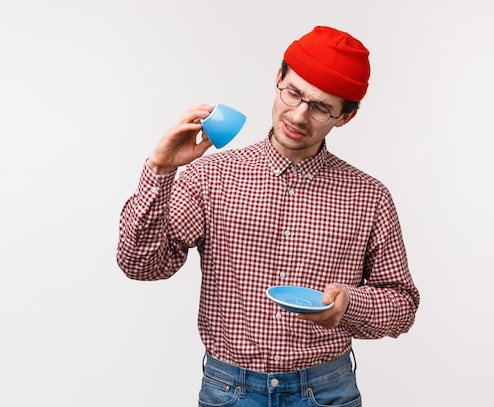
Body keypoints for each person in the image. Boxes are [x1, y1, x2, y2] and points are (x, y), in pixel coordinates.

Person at [117, 25, 419, 406]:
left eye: (321, 107)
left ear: (346, 117)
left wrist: (349, 305)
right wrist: (160, 171)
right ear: (278, 78)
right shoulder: (209, 177)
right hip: (230, 390)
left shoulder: (369, 196)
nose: (298, 115)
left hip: (325, 390)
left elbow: (402, 305)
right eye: (293, 93)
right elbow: (140, 266)